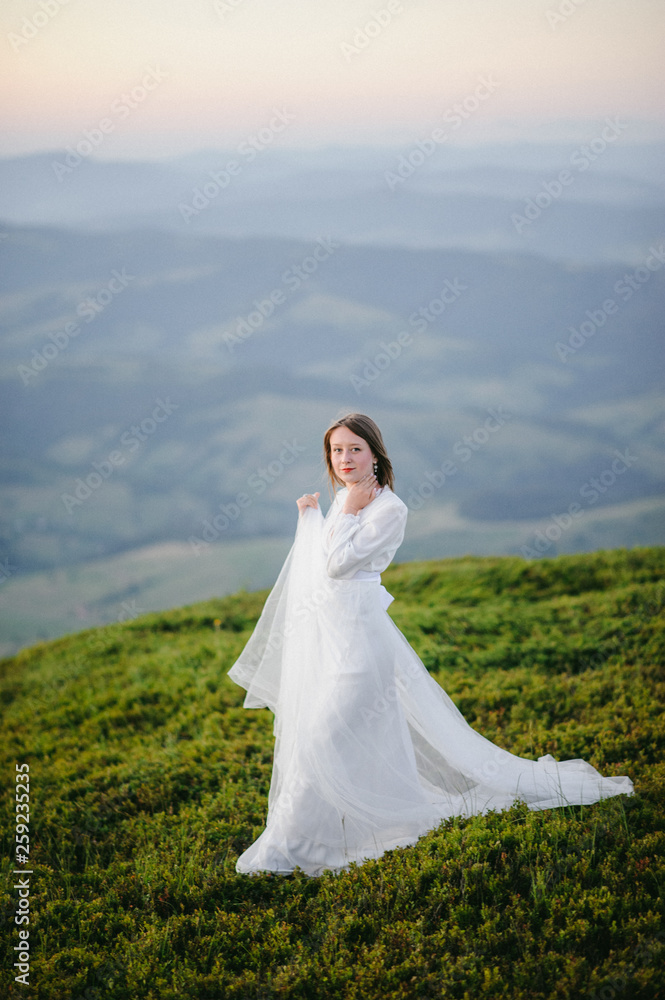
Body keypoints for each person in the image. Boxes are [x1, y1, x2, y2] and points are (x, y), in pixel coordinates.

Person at [228, 413, 634, 876]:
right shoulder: (347, 498)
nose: (345, 459)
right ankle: (319, 835)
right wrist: (311, 518)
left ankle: (301, 848)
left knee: (325, 735)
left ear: (375, 454)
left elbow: (339, 566)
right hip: (332, 638)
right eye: (337, 450)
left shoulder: (386, 509)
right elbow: (321, 562)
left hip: (362, 643)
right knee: (336, 739)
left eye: (355, 449)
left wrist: (341, 513)